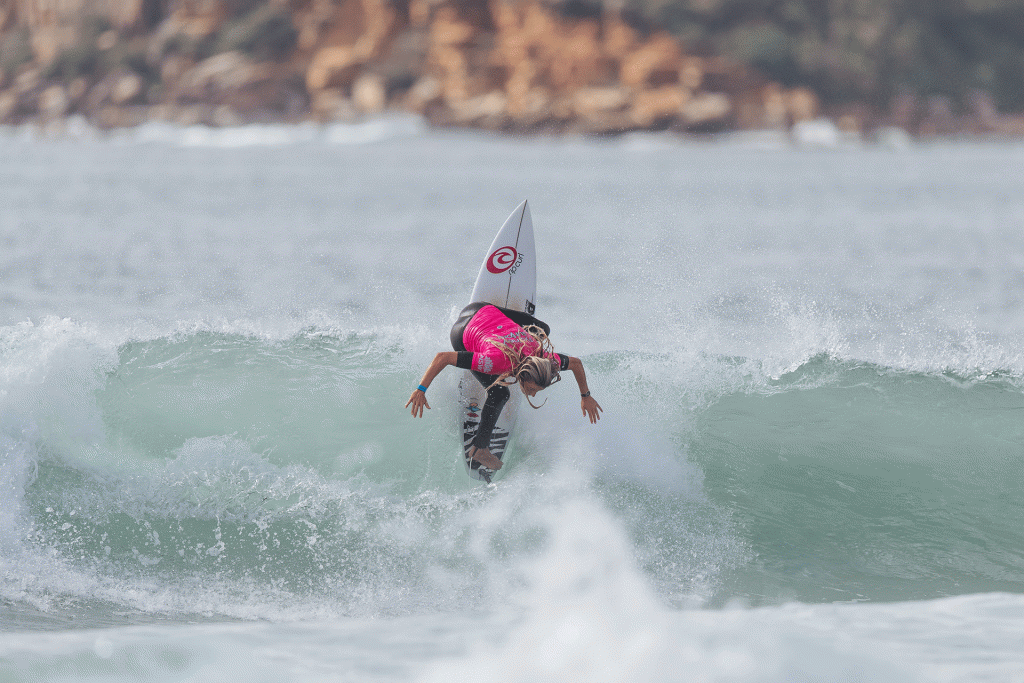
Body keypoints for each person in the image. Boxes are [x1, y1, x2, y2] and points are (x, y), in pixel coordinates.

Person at [405, 302, 602, 471]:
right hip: (462, 332)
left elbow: (575, 363)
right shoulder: (496, 362)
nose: (532, 395)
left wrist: (586, 396)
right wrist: (421, 390)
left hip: (483, 308)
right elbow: (443, 357)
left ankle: (506, 327)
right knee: (500, 394)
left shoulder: (544, 358)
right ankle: (480, 449)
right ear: (522, 375)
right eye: (532, 389)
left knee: (544, 329)